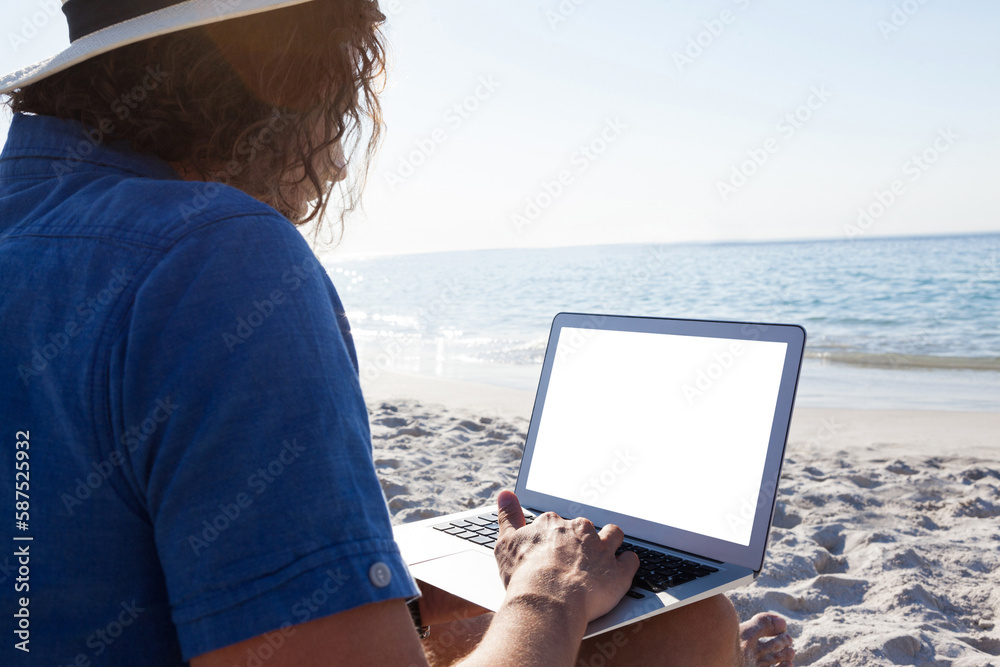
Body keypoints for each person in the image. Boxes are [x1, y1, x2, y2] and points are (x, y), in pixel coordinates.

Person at [0, 1, 795, 665]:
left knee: (672, 623)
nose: (337, 166)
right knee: (681, 630)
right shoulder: (215, 254)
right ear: (281, 73)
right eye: (341, 100)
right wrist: (548, 593)